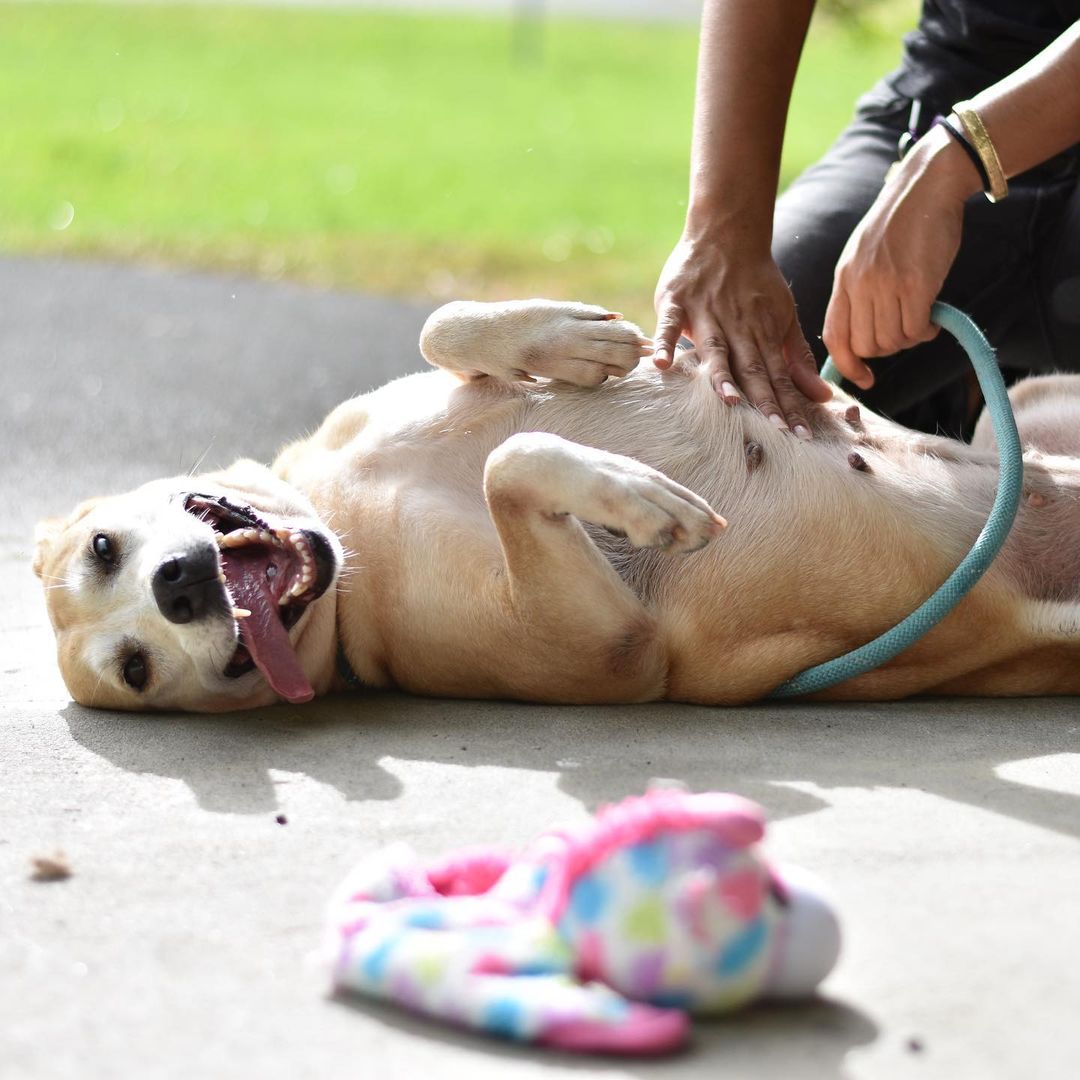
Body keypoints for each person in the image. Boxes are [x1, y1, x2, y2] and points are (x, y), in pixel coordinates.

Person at [652, 1, 1080, 438]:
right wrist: (721, 231)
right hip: (947, 89)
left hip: (958, 145)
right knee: (715, 384)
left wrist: (959, 158)